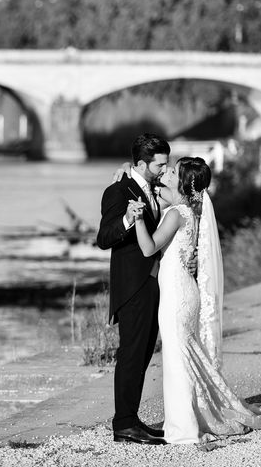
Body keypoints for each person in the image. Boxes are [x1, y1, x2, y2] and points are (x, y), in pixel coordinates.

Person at [129, 156, 261, 443]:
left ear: (182, 181)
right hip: (186, 293)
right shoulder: (190, 212)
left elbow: (148, 248)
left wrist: (138, 218)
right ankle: (191, 417)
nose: (167, 171)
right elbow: (158, 190)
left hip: (176, 296)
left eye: (173, 171)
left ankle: (183, 429)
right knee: (186, 357)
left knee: (176, 361)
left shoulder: (175, 214)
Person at [96, 133, 170, 445]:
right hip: (133, 287)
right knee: (131, 355)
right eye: (160, 166)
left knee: (141, 355)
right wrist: (127, 218)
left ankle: (131, 418)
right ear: (142, 164)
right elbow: (103, 238)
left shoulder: (155, 188)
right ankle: (123, 423)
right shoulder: (118, 191)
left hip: (152, 285)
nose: (165, 171)